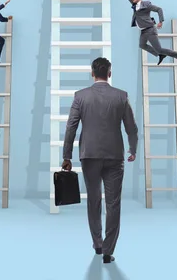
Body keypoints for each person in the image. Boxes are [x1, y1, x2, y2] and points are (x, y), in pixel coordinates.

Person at [62, 57, 138, 264]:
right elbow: (131, 127)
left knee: (94, 201)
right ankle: (107, 250)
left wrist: (66, 156)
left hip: (89, 155)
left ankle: (97, 244)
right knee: (113, 204)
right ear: (110, 73)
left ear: (92, 73)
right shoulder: (121, 96)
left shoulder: (80, 96)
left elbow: (71, 127)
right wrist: (133, 149)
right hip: (114, 155)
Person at [124, 0, 177, 65]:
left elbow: (159, 9)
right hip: (143, 31)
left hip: (150, 30)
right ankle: (160, 55)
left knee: (159, 49)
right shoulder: (135, 5)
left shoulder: (146, 5)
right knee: (142, 45)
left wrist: (161, 21)